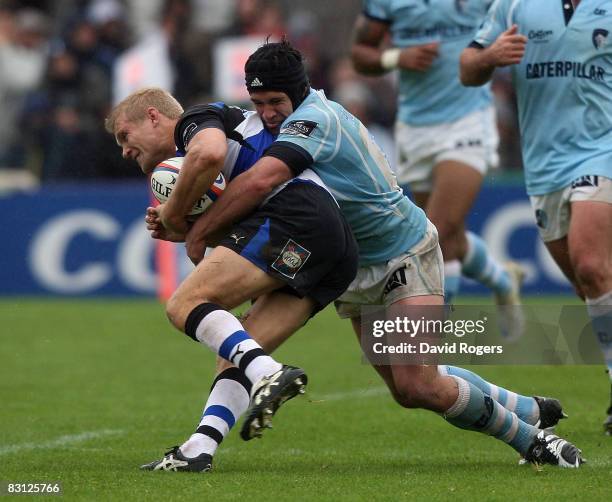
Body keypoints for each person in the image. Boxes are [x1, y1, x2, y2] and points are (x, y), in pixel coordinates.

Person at [184, 39, 584, 468]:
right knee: (405, 387)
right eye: (258, 102)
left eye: (275, 101)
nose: (266, 113)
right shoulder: (278, 123)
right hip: (351, 269)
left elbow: (262, 182)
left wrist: (198, 232)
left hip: (403, 255)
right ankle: (524, 406)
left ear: (299, 92)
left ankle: (535, 443)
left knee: (419, 385)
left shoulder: (315, 119)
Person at [104, 87, 359, 471]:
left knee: (184, 304)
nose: (124, 150)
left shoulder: (194, 122)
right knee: (235, 352)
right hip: (334, 246)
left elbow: (208, 154)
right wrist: (187, 226)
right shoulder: (204, 154)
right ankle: (198, 449)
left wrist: (174, 213)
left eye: (126, 135)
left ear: (154, 117)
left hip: (298, 214)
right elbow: (236, 220)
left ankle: (269, 374)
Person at [459, 0, 612, 435]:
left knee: (591, 264)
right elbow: (467, 68)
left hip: (602, 150)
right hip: (544, 165)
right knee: (589, 285)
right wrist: (490, 57)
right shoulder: (515, 6)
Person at [349, 0, 525, 340]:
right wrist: (396, 58)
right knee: (449, 235)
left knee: (439, 231)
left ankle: (435, 339)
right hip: (415, 128)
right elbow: (360, 53)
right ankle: (503, 281)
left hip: (468, 121)